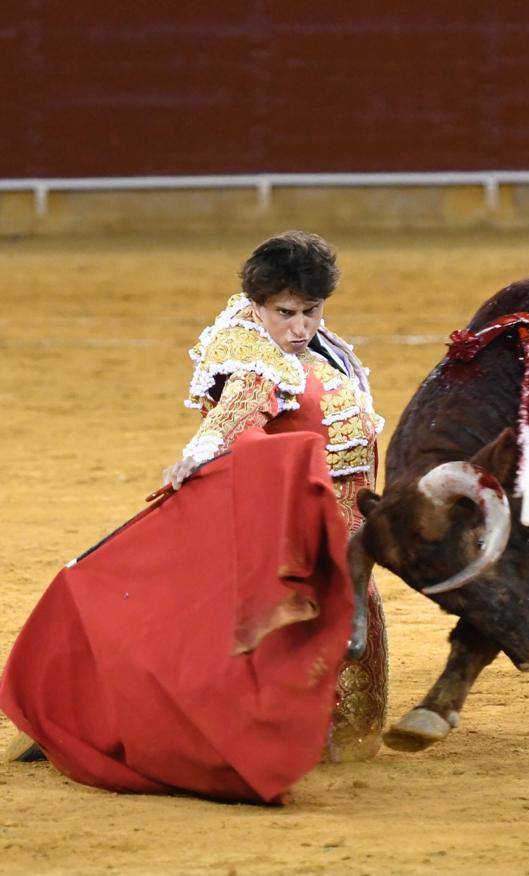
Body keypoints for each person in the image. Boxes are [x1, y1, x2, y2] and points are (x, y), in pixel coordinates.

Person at [1, 231, 388, 801]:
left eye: (311, 311)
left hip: (345, 518)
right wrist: (201, 455)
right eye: (285, 313)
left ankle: (318, 738)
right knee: (301, 626)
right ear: (257, 305)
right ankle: (260, 745)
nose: (300, 326)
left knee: (346, 622)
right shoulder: (252, 355)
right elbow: (236, 416)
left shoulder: (316, 347)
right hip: (292, 527)